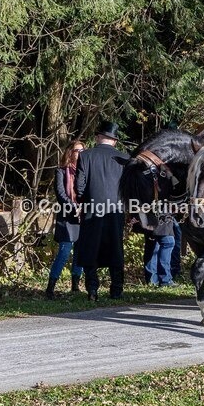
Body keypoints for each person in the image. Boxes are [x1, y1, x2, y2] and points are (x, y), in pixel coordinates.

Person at [75, 121, 129, 301]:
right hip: (116, 209)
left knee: (91, 248)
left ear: (98, 137)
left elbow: (79, 186)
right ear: (114, 141)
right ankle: (117, 290)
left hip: (92, 209)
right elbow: (128, 189)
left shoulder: (86, 156)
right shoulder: (124, 159)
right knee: (116, 248)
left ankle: (92, 290)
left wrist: (85, 201)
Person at [46, 140, 85, 300]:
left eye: (83, 150)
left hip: (83, 216)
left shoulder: (84, 172)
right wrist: (74, 206)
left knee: (80, 253)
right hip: (67, 217)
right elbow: (61, 194)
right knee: (64, 252)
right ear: (70, 152)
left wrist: (84, 207)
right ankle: (50, 288)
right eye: (78, 150)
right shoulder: (61, 171)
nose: (81, 153)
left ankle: (75, 286)